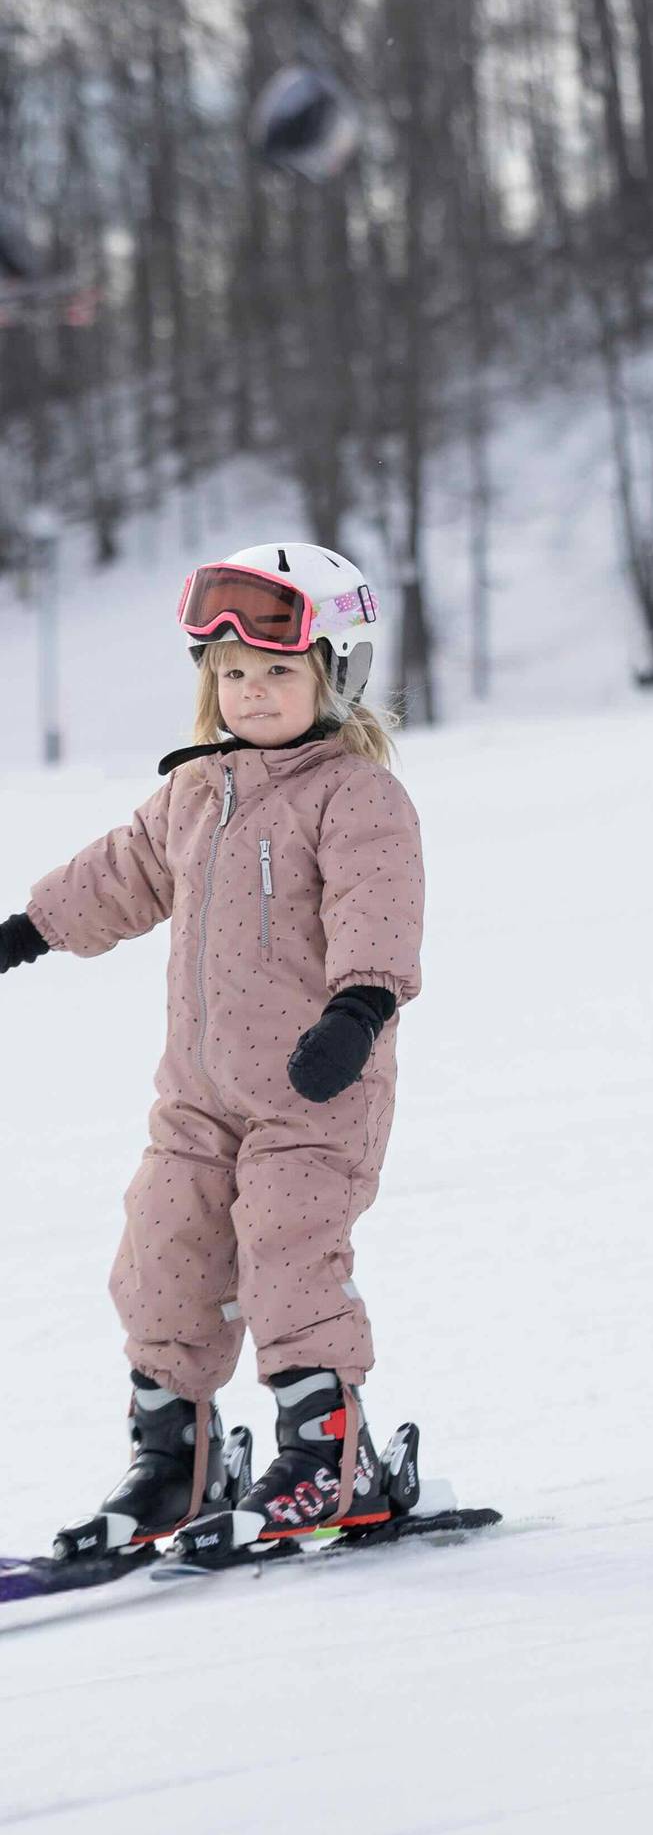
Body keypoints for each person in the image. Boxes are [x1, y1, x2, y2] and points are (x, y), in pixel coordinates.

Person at [0, 542, 425, 1560]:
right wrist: (26, 930)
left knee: (289, 1258)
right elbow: (121, 873)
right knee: (160, 1254)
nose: (250, 690)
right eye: (230, 673)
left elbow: (381, 912)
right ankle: (173, 1468)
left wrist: (357, 1013)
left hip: (313, 1091)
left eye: (278, 670)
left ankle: (332, 1460)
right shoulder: (195, 793)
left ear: (339, 671)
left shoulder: (357, 796)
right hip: (195, 1098)